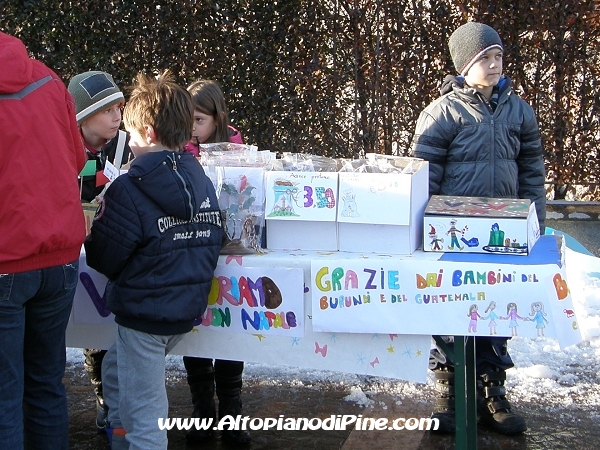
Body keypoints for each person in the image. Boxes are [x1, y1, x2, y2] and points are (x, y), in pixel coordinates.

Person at [410, 22, 546, 435]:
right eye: (483, 58)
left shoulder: (519, 110)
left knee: (495, 307)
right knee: (451, 307)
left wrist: (535, 220)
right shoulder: (442, 112)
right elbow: (423, 177)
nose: (493, 64)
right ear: (464, 66)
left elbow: (532, 170)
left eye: (498, 56)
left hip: (503, 235)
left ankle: (491, 392)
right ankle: (450, 395)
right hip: (453, 234)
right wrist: (419, 229)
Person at [85, 71, 224, 450]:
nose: (127, 144)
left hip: (144, 314)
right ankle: (118, 434)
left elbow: (103, 256)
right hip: (184, 310)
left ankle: (130, 436)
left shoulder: (128, 187)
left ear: (146, 132)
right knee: (116, 371)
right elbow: (214, 237)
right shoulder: (202, 179)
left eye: (130, 134)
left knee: (146, 418)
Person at [0, 31, 86, 449]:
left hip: (7, 259)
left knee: (5, 395)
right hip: (60, 255)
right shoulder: (49, 81)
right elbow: (76, 159)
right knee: (46, 384)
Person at [182, 79, 251, 446]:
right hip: (192, 249)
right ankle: (202, 409)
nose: (193, 129)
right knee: (196, 330)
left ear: (218, 118)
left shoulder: (237, 149)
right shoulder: (181, 148)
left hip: (229, 250)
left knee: (228, 330)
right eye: (188, 120)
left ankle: (231, 411)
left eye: (199, 120)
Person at [68, 70, 134, 431]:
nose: (116, 116)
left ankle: (115, 401)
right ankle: (102, 398)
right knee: (89, 328)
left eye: (119, 107)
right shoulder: (64, 145)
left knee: (108, 322)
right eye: (107, 109)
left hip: (109, 246)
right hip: (69, 248)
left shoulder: (125, 144)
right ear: (81, 115)